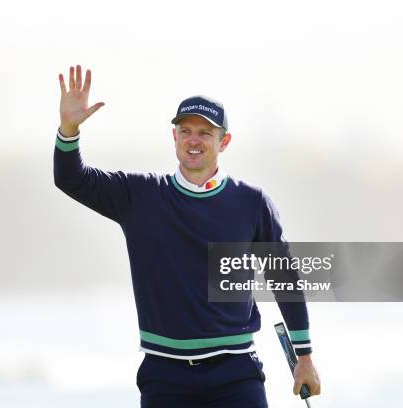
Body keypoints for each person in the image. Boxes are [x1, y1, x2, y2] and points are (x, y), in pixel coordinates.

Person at [53, 65, 321, 407]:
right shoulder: (141, 195)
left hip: (235, 373)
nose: (194, 140)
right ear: (175, 137)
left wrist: (305, 356)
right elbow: (71, 178)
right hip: (165, 378)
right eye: (186, 130)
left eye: (205, 133)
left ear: (224, 142)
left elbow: (284, 278)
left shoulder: (251, 202)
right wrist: (68, 130)